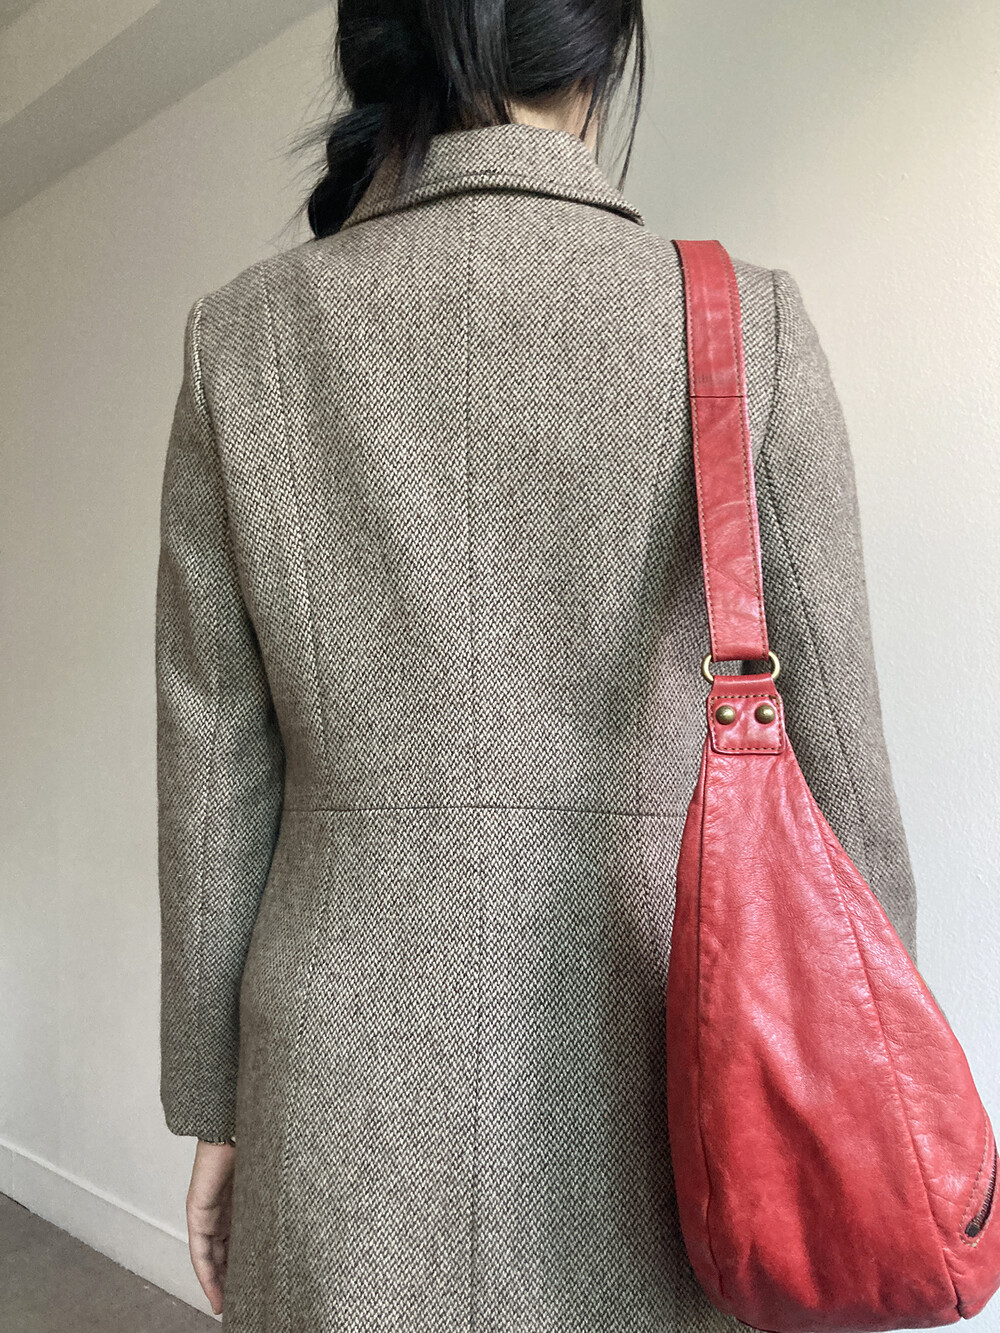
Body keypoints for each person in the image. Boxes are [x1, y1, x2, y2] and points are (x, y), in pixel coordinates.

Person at [155, 1, 919, 1328]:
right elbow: (843, 782)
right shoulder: (748, 326)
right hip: (665, 1086)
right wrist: (859, 1097)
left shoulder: (245, 340)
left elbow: (211, 770)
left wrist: (217, 1101)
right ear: (602, 59)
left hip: (339, 1093)